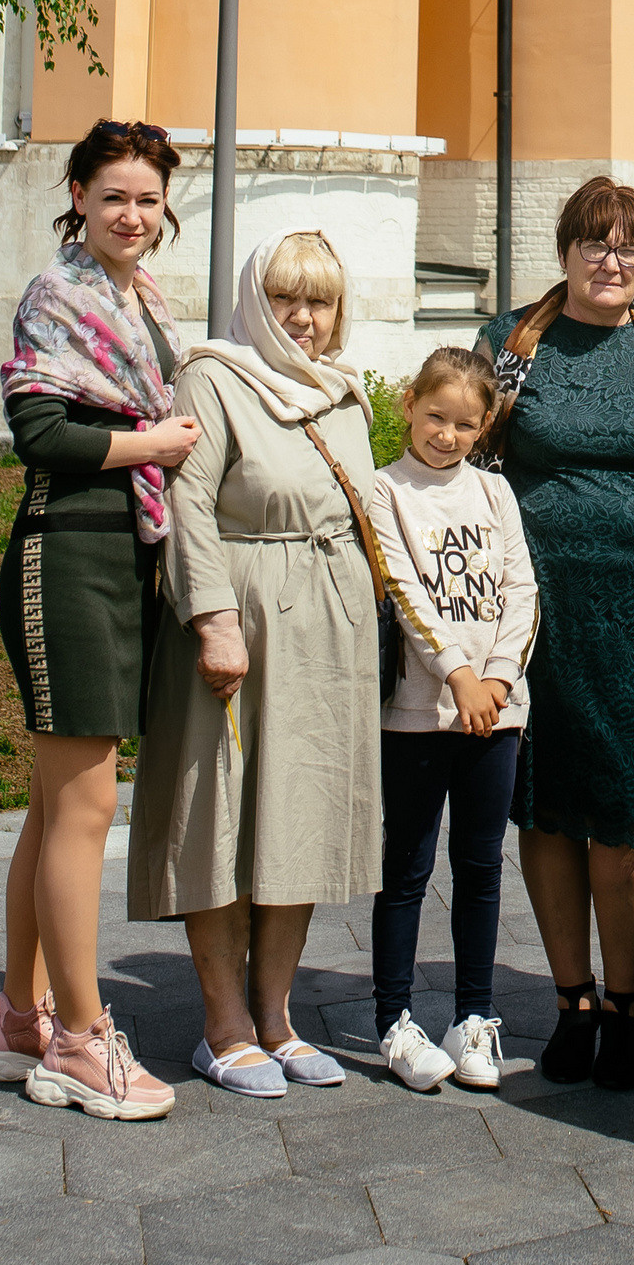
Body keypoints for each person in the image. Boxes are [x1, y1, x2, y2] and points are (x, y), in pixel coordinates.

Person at [127, 231, 386, 1095]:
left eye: (319, 300)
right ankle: (222, 1023)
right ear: (253, 300)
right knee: (223, 817)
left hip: (326, 628)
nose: (303, 318)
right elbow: (184, 501)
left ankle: (277, 1015)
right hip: (242, 619)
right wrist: (212, 621)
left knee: (297, 815)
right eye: (285, 298)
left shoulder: (343, 395)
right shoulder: (214, 375)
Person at [0, 119, 197, 1120]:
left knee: (54, 805)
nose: (131, 214)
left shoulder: (137, 297)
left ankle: (18, 1018)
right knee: (84, 807)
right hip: (66, 552)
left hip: (124, 549)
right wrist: (154, 441)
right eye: (113, 194)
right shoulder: (58, 295)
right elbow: (39, 431)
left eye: (148, 198)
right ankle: (78, 1038)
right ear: (76, 194)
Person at [479, 179, 634, 1093]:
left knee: (627, 810)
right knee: (545, 803)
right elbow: (459, 448)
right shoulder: (512, 343)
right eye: (596, 245)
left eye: (630, 249)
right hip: (535, 608)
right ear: (566, 248)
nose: (612, 263)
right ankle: (572, 1001)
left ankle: (627, 1003)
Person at [369, 345, 539, 1093]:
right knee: (406, 867)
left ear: (486, 426)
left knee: (479, 868)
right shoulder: (384, 491)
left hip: (495, 715)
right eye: (435, 416)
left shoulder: (495, 494)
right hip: (417, 713)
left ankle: (474, 1016)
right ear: (409, 404)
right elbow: (403, 590)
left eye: (465, 424)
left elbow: (522, 590)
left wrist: (496, 680)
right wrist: (458, 675)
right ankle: (394, 1021)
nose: (447, 434)